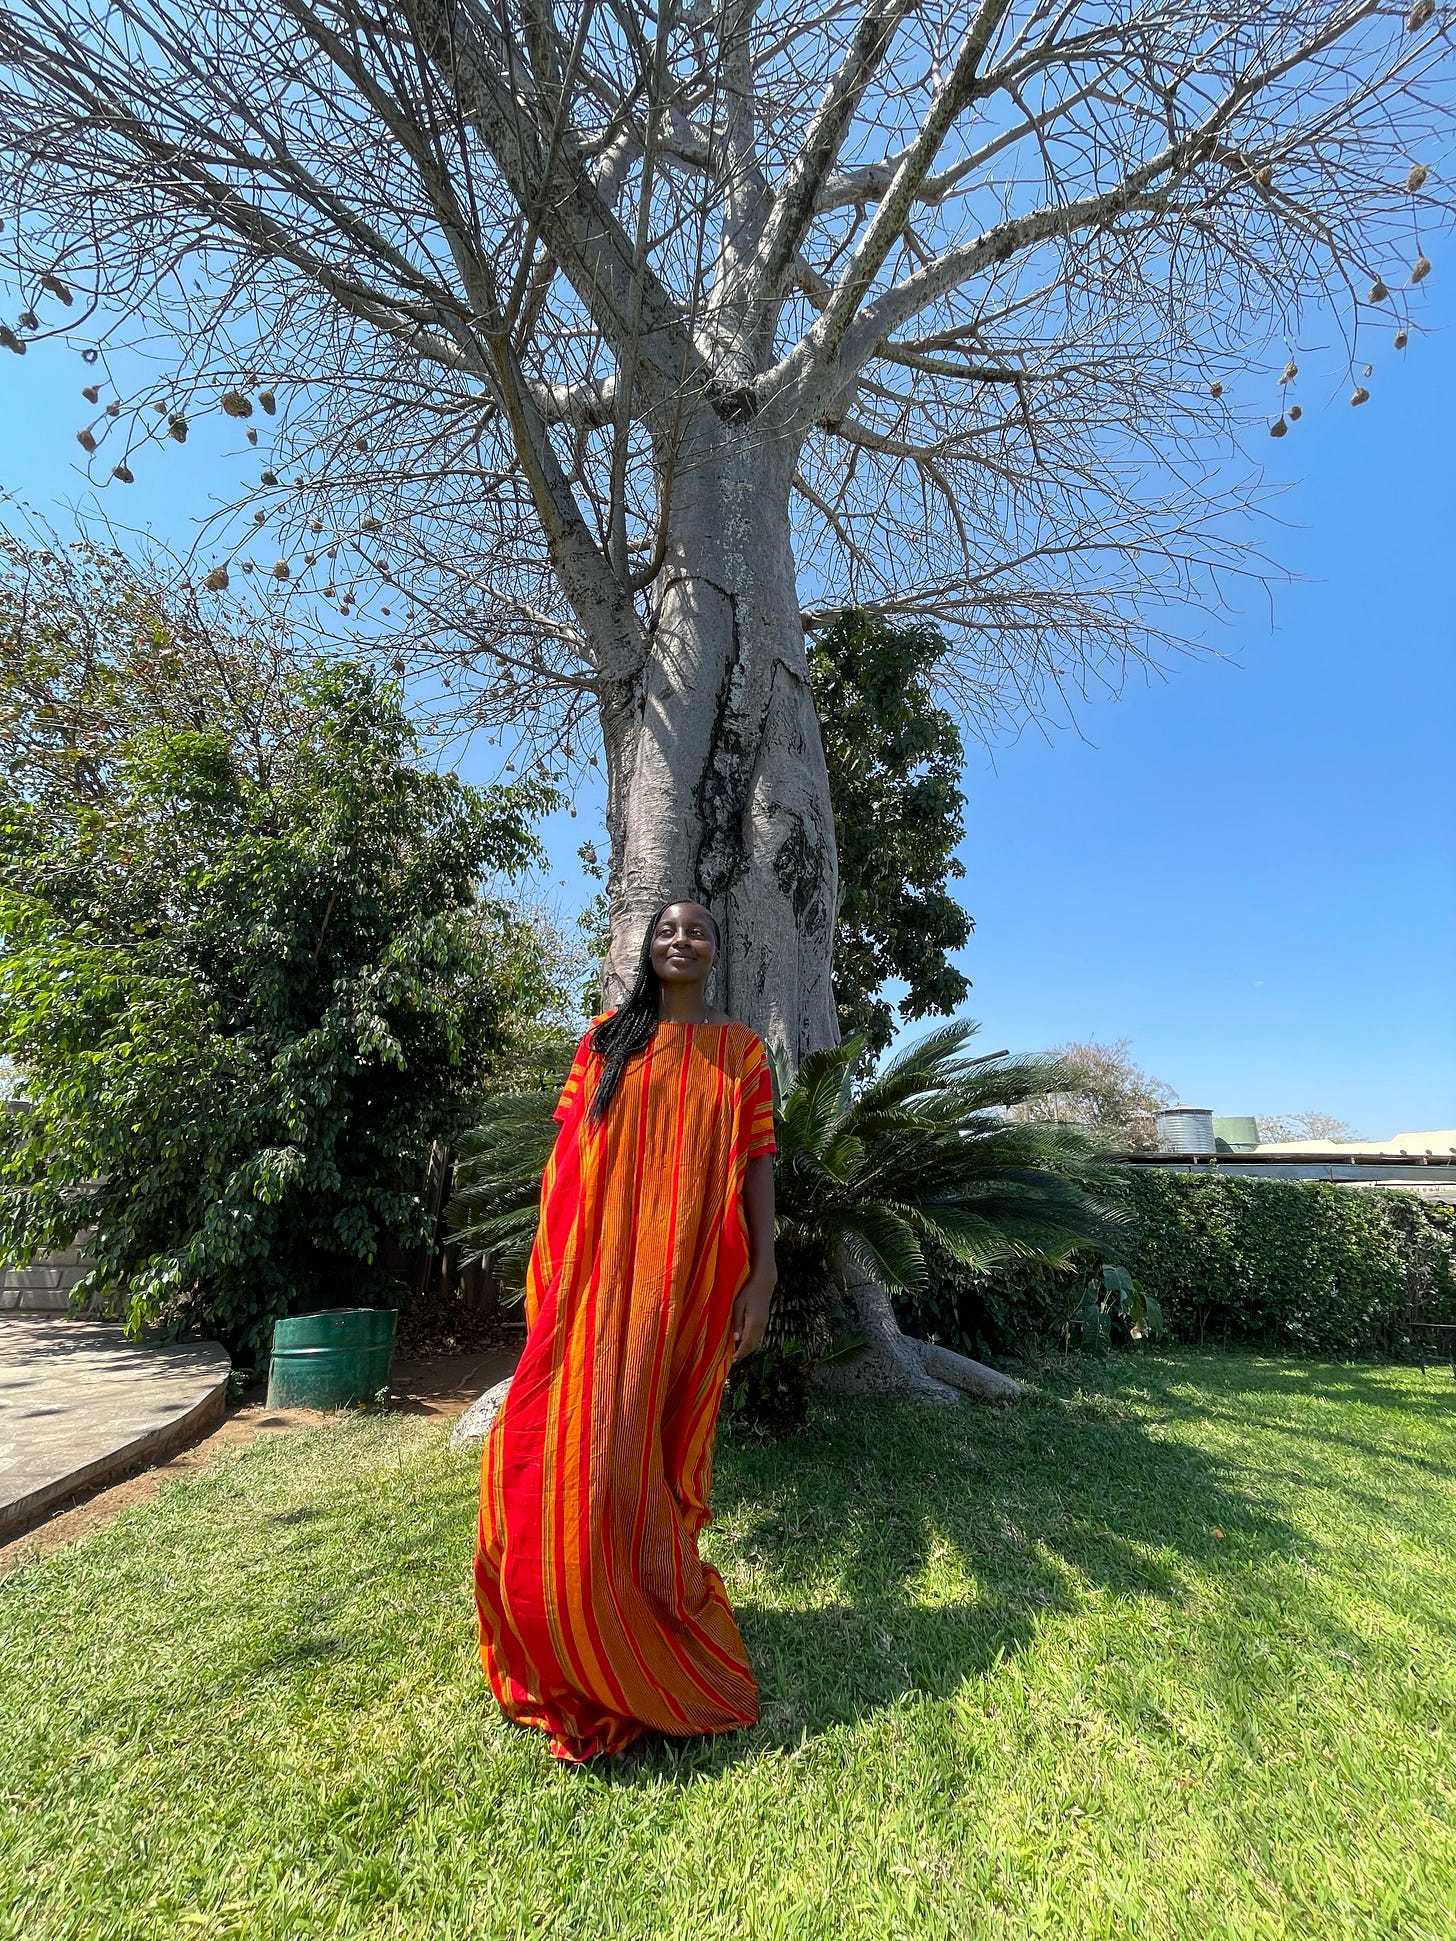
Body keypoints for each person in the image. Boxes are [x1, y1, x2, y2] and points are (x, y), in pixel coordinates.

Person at [473, 898, 778, 1763]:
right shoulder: (607, 1039)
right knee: (554, 1449)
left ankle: (637, 1612)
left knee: (643, 1450)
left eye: (698, 929)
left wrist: (763, 1274)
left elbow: (758, 1164)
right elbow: (567, 1163)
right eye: (667, 929)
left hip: (686, 1289)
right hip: (596, 1287)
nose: (682, 939)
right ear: (647, 947)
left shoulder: (742, 1053)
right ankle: (568, 1626)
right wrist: (557, 1277)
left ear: (716, 949)